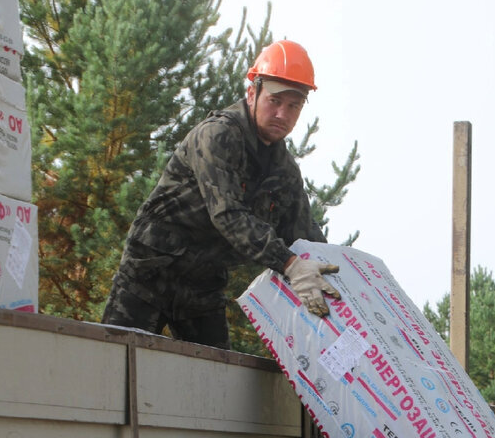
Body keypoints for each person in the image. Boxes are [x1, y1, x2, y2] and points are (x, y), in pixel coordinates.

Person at [102, 40, 340, 348]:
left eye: (293, 105)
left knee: (216, 383)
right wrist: (291, 265)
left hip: (202, 287)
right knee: (111, 368)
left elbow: (305, 236)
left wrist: (342, 275)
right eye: (275, 101)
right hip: (150, 273)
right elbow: (228, 215)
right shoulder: (219, 135)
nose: (282, 113)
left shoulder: (285, 171)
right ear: (252, 92)